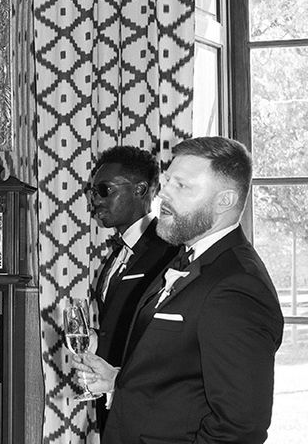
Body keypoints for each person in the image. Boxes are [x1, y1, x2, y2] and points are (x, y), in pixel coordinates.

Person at [75, 137, 284, 444]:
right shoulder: (186, 256)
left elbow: (239, 428)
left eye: (182, 186)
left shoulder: (237, 286)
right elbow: (182, 379)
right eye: (168, 181)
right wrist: (118, 380)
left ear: (224, 201)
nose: (164, 194)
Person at [87, 145, 176, 432]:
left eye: (104, 190)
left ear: (140, 190)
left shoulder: (169, 250)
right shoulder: (118, 253)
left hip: (149, 414)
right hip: (113, 410)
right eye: (92, 191)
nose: (94, 200)